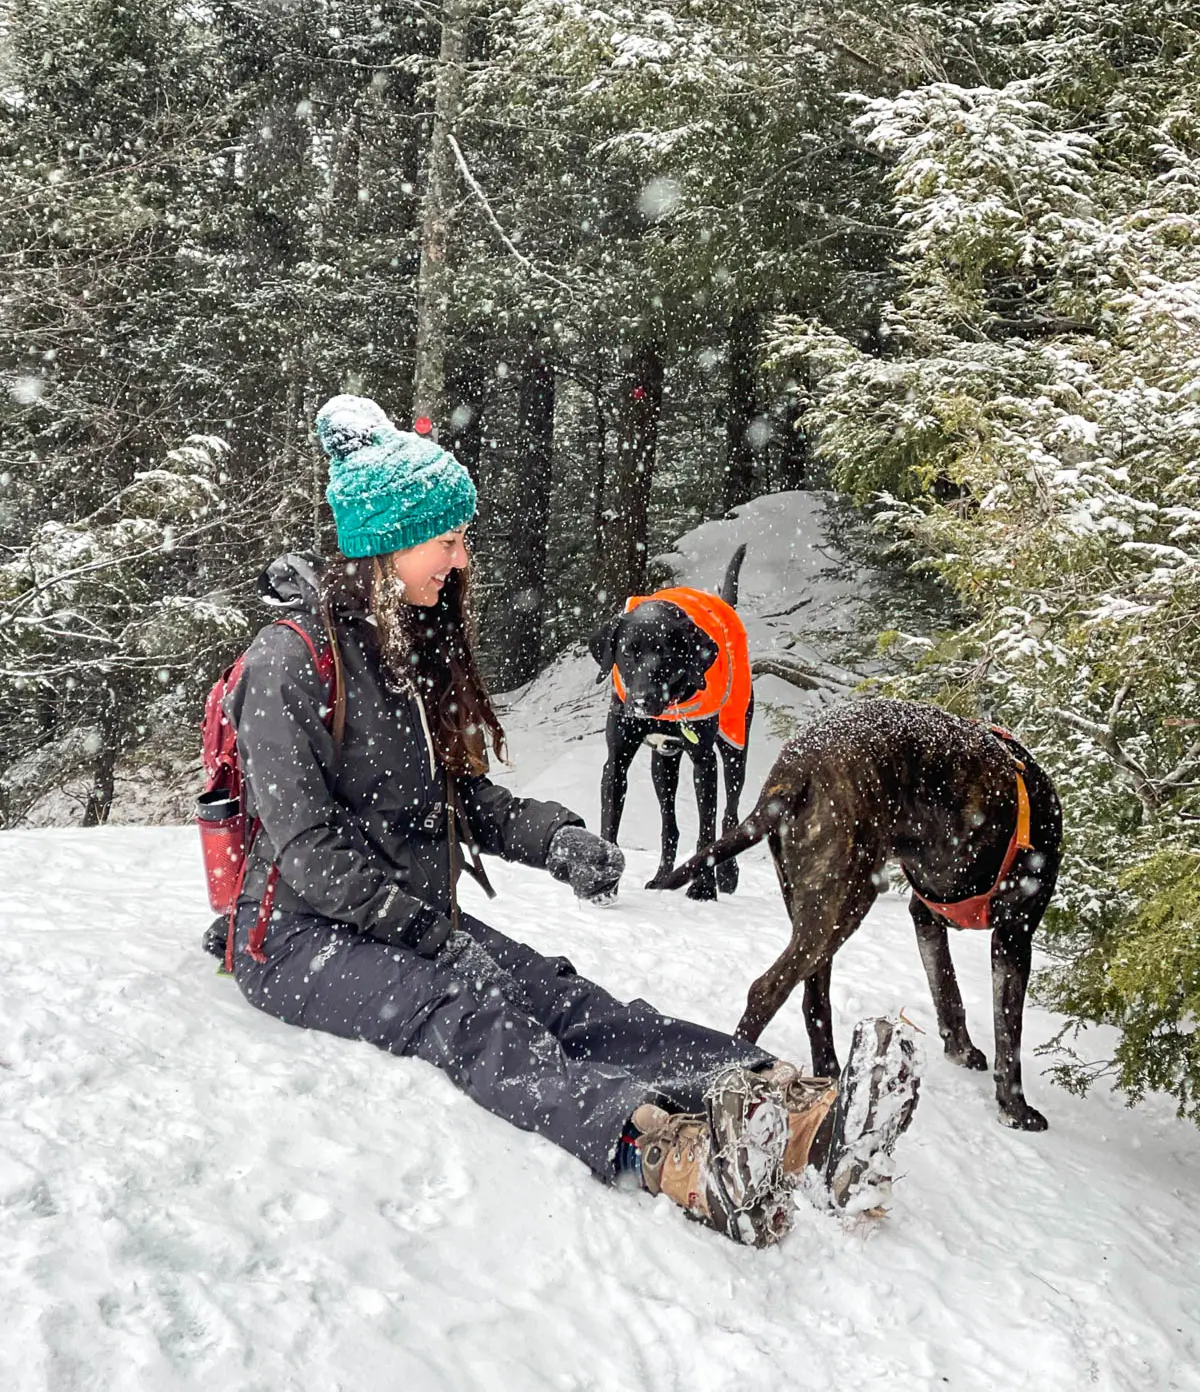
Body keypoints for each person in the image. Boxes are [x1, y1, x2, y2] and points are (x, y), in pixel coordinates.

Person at [217, 394, 921, 1247]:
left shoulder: (403, 648)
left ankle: (791, 1107)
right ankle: (679, 1155)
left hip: (400, 916)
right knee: (470, 1016)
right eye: (447, 540)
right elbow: (309, 851)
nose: (460, 557)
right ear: (390, 541)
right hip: (295, 937)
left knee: (562, 995)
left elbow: (456, 797)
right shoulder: (290, 661)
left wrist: (552, 837)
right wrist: (434, 937)